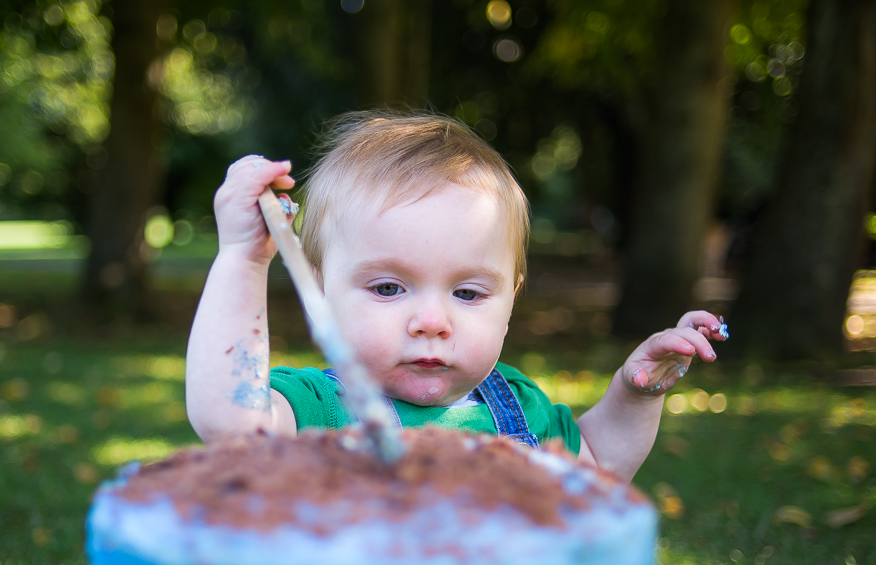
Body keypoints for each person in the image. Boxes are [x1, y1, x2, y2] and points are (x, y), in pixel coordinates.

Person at [185, 112, 727, 481]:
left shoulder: (517, 407)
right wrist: (243, 259)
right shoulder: (313, 410)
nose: (430, 320)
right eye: (389, 288)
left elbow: (600, 467)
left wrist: (635, 398)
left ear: (511, 301)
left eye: (467, 293)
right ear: (321, 293)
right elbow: (230, 423)